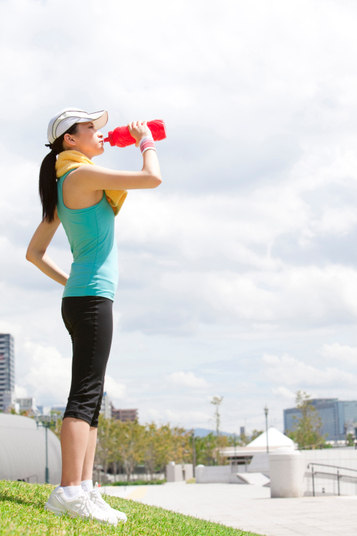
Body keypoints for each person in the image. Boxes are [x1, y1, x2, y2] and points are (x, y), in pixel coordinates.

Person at [26, 108, 162, 525]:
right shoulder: (81, 177)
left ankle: (84, 488)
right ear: (70, 140)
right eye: (91, 129)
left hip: (84, 295)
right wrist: (145, 140)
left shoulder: (64, 182)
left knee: (93, 399)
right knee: (84, 396)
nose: (100, 134)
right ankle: (68, 490)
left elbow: (34, 254)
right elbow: (151, 178)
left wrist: (71, 281)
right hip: (90, 298)